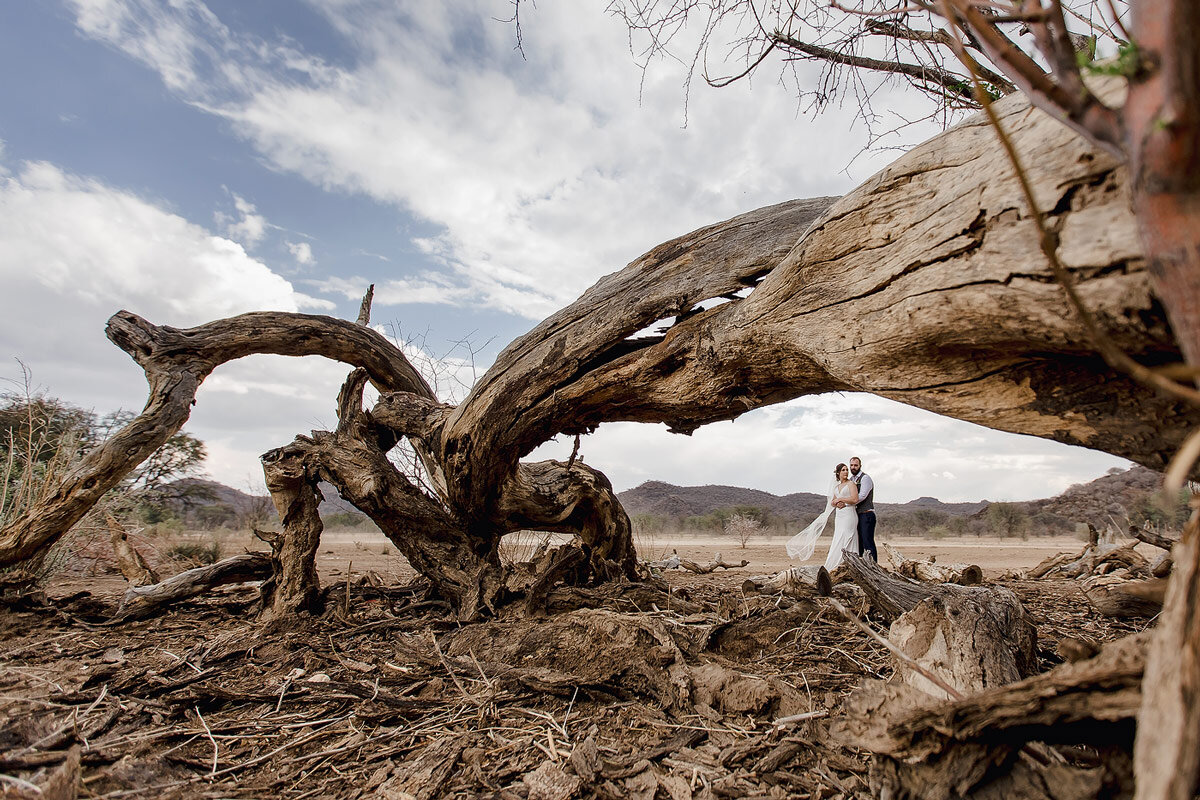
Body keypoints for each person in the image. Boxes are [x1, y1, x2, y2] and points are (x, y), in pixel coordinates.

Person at [785, 462, 859, 571]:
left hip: (849, 514)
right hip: (839, 516)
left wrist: (841, 499)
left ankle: (851, 565)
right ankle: (835, 566)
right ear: (838, 473)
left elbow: (855, 499)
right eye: (843, 470)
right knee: (838, 538)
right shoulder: (837, 487)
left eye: (847, 470)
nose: (846, 472)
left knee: (848, 536)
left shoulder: (851, 484)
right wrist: (836, 502)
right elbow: (832, 502)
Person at [849, 456, 877, 561]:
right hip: (856, 515)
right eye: (851, 465)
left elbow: (862, 496)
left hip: (866, 514)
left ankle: (874, 567)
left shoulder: (865, 478)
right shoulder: (851, 480)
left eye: (856, 465)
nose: (853, 467)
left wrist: (846, 503)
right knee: (859, 543)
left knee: (867, 542)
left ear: (860, 466)